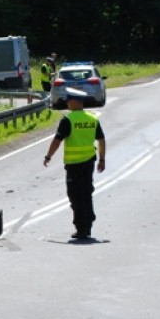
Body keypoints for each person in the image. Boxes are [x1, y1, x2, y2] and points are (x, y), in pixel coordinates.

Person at [42, 87, 106, 240]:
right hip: (89, 162)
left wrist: (48, 156)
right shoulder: (92, 119)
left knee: (75, 196)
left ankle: (81, 227)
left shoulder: (68, 120)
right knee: (86, 193)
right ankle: (88, 223)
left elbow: (57, 141)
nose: (67, 104)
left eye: (69, 101)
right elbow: (101, 140)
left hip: (74, 164)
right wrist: (102, 159)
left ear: (76, 102)